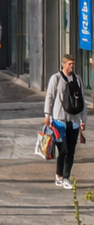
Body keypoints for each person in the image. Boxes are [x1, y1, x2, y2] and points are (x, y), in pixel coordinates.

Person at [45, 53, 86, 189]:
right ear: (63, 64)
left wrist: (82, 120)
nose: (72, 66)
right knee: (63, 150)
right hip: (58, 120)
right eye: (69, 64)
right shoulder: (55, 78)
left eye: (73, 64)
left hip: (73, 120)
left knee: (71, 151)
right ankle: (59, 176)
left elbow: (82, 100)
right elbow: (49, 97)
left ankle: (66, 176)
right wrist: (47, 115)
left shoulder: (78, 79)